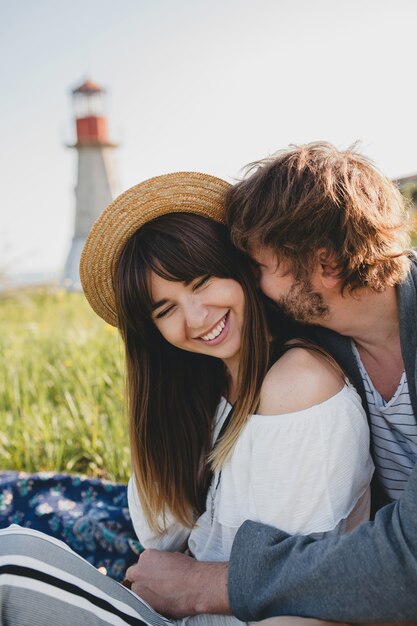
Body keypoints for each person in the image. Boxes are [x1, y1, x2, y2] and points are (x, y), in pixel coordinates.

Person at [0, 171, 372, 626]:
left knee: (12, 565)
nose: (195, 319)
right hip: (180, 617)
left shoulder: (296, 385)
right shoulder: (212, 384)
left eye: (200, 282)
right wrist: (164, 408)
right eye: (165, 310)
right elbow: (159, 531)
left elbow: (293, 595)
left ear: (237, 270)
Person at [127, 144, 417, 624]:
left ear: (324, 263)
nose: (255, 285)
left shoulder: (306, 379)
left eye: (259, 267)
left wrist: (204, 584)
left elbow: (407, 565)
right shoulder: (330, 336)